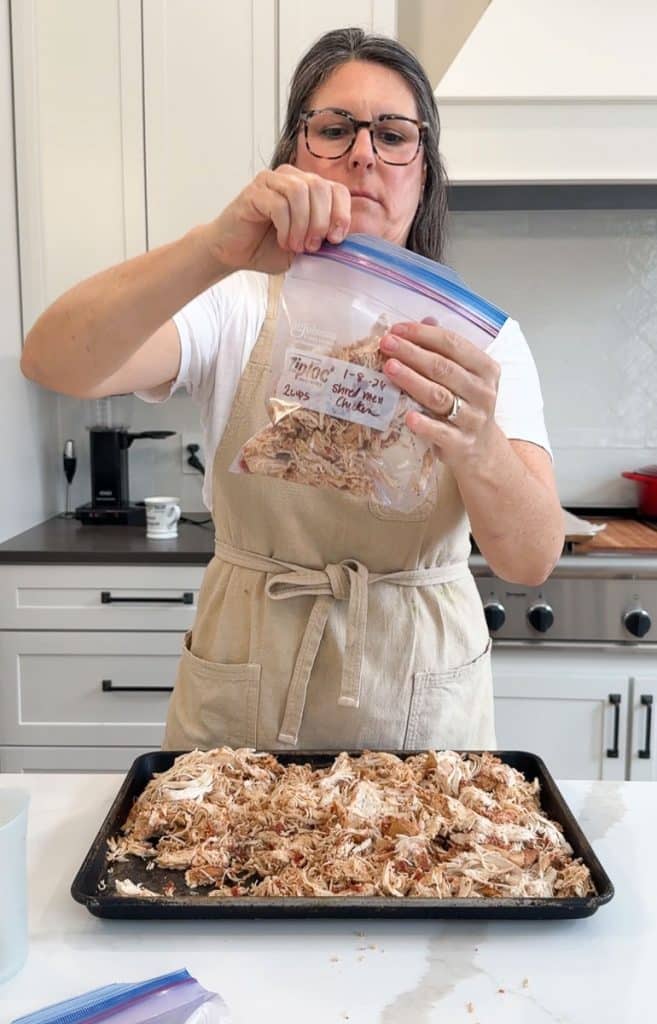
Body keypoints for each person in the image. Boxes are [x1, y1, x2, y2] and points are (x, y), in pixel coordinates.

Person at [21, 28, 564, 753]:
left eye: (393, 135)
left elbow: (528, 561)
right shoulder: (235, 303)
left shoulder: (483, 342)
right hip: (248, 674)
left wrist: (480, 442)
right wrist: (214, 248)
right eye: (334, 129)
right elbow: (55, 361)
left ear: (423, 172)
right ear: (292, 156)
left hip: (416, 686)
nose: (363, 154)